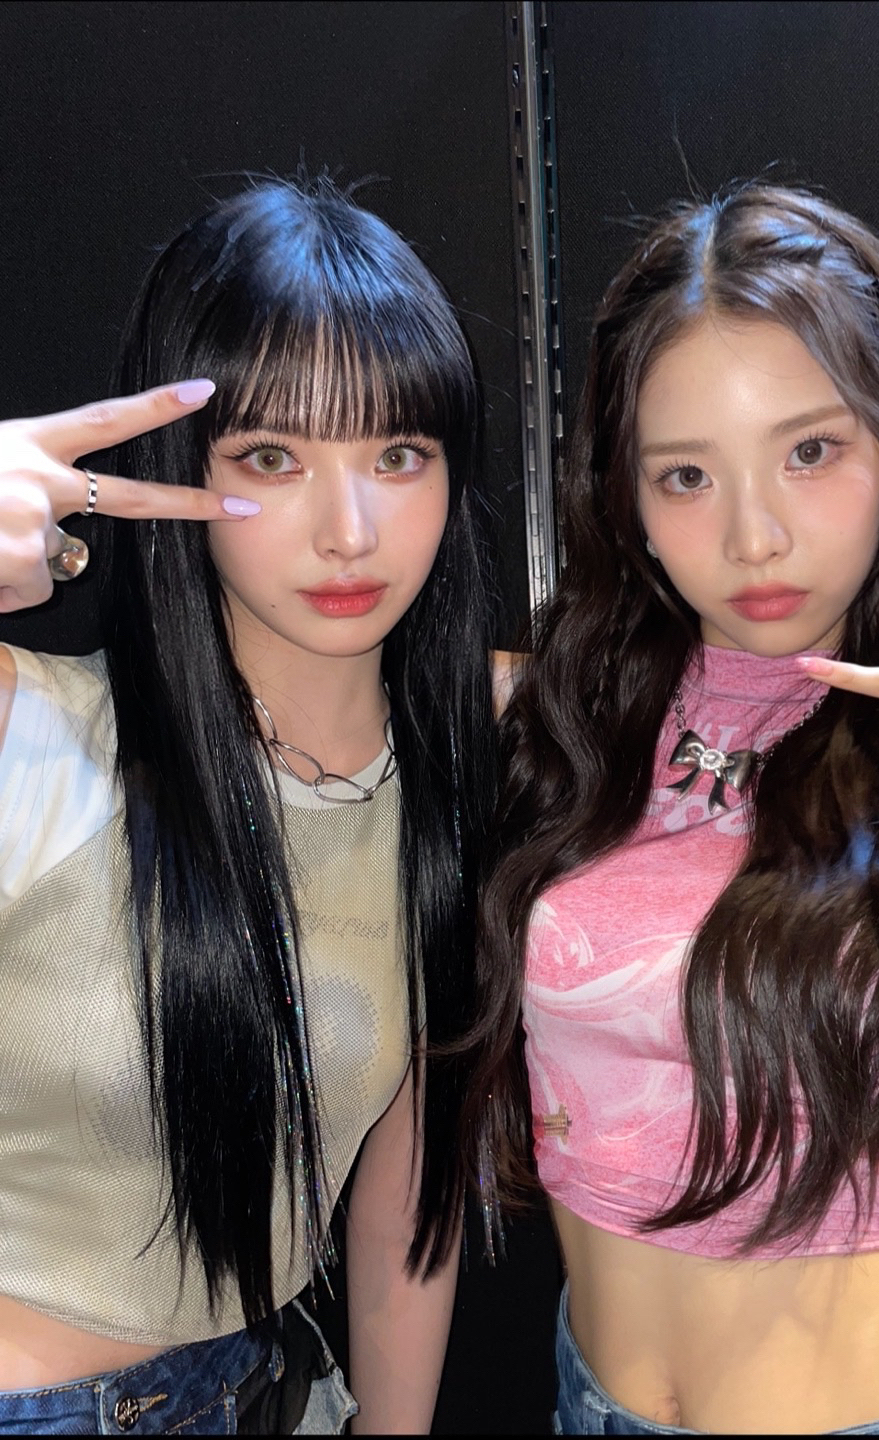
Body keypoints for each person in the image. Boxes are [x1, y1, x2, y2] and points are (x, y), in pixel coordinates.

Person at [470, 183, 879, 1434]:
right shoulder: (560, 721)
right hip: (593, 1403)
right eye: (685, 476)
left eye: (809, 452)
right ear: (626, 500)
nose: (753, 537)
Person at [0, 177, 496, 1433]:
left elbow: (409, 1187)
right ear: (180, 469)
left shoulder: (465, 769)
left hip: (271, 1394)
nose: (349, 529)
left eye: (397, 455)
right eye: (271, 458)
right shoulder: (34, 729)